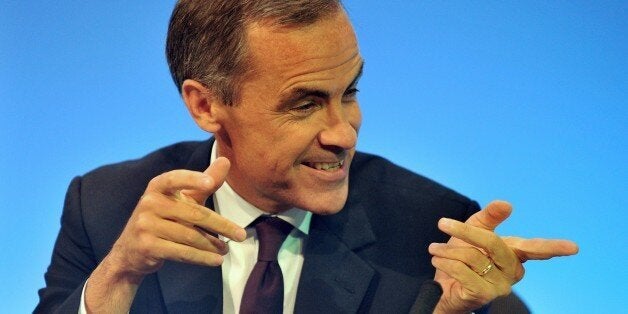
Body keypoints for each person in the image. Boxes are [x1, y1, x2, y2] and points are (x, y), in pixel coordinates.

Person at [35, 1, 578, 313]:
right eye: (305, 104)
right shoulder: (105, 208)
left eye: (350, 92)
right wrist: (118, 277)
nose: (344, 133)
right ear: (205, 104)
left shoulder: (434, 234)